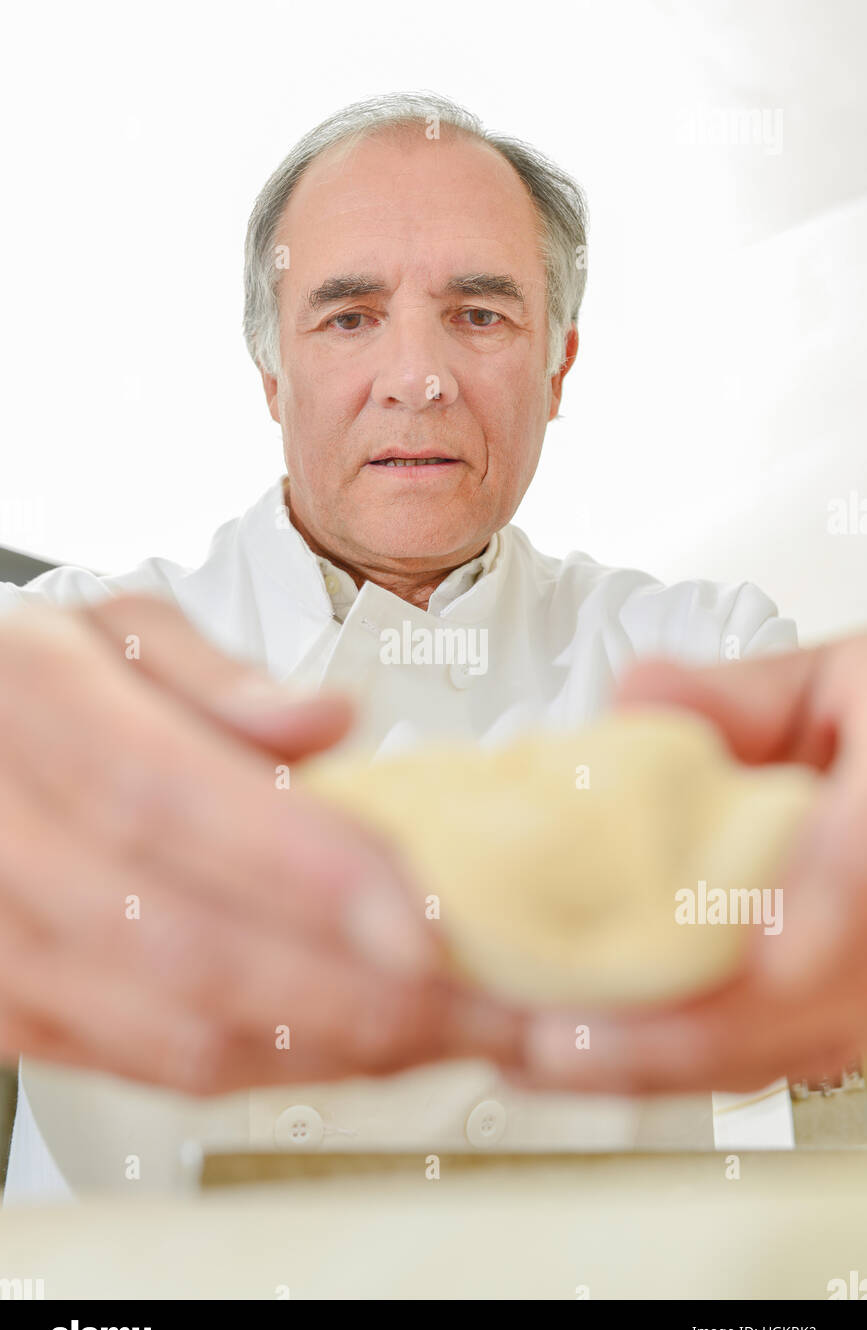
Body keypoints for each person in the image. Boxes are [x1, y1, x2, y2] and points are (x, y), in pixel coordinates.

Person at [1, 92, 850, 1203]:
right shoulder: (72, 653)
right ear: (271, 372)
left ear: (559, 365)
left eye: (480, 315)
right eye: (349, 317)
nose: (418, 376)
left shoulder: (705, 656)